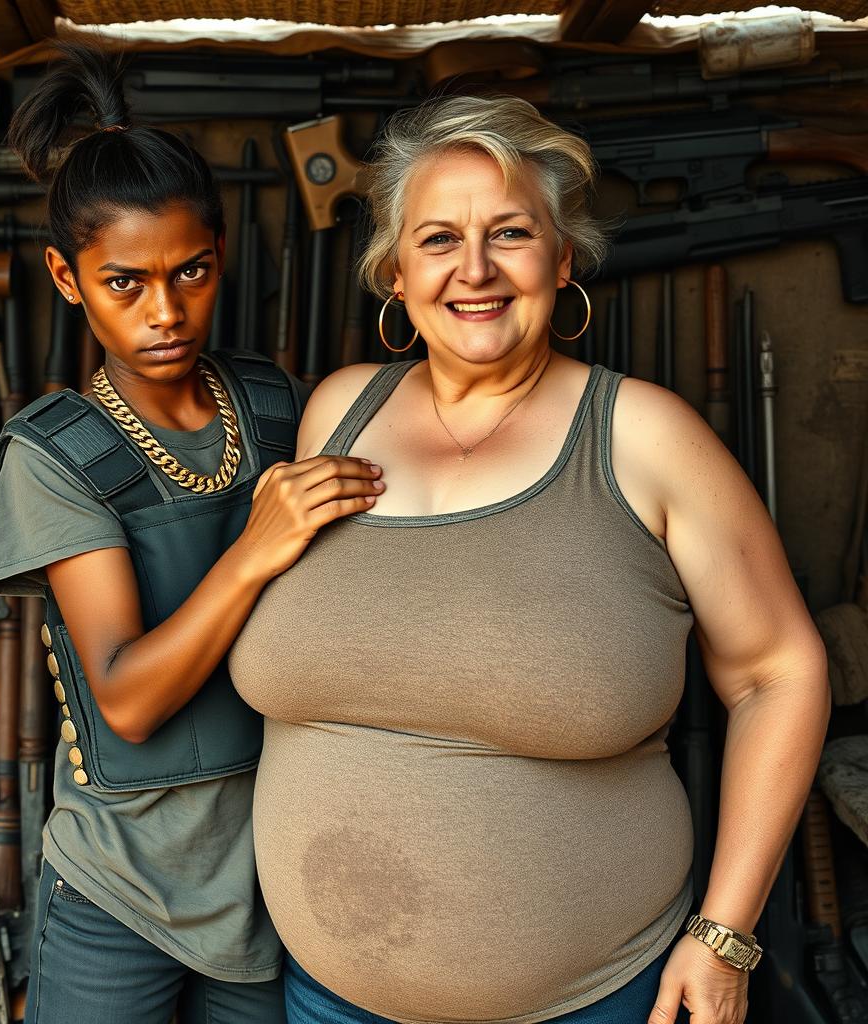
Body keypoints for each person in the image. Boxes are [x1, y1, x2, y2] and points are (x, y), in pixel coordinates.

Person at [228, 94, 831, 1024]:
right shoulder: (334, 415)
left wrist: (724, 937)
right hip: (330, 1000)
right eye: (437, 240)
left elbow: (778, 674)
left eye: (509, 232)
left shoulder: (644, 438)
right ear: (393, 273)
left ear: (562, 257)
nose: (475, 269)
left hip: (593, 1000)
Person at [0, 46, 385, 1024]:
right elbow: (127, 698)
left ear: (221, 252)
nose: (165, 312)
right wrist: (254, 547)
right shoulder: (55, 454)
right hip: (123, 888)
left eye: (190, 271)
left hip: (270, 884)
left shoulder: (281, 408)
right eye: (125, 283)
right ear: (66, 279)